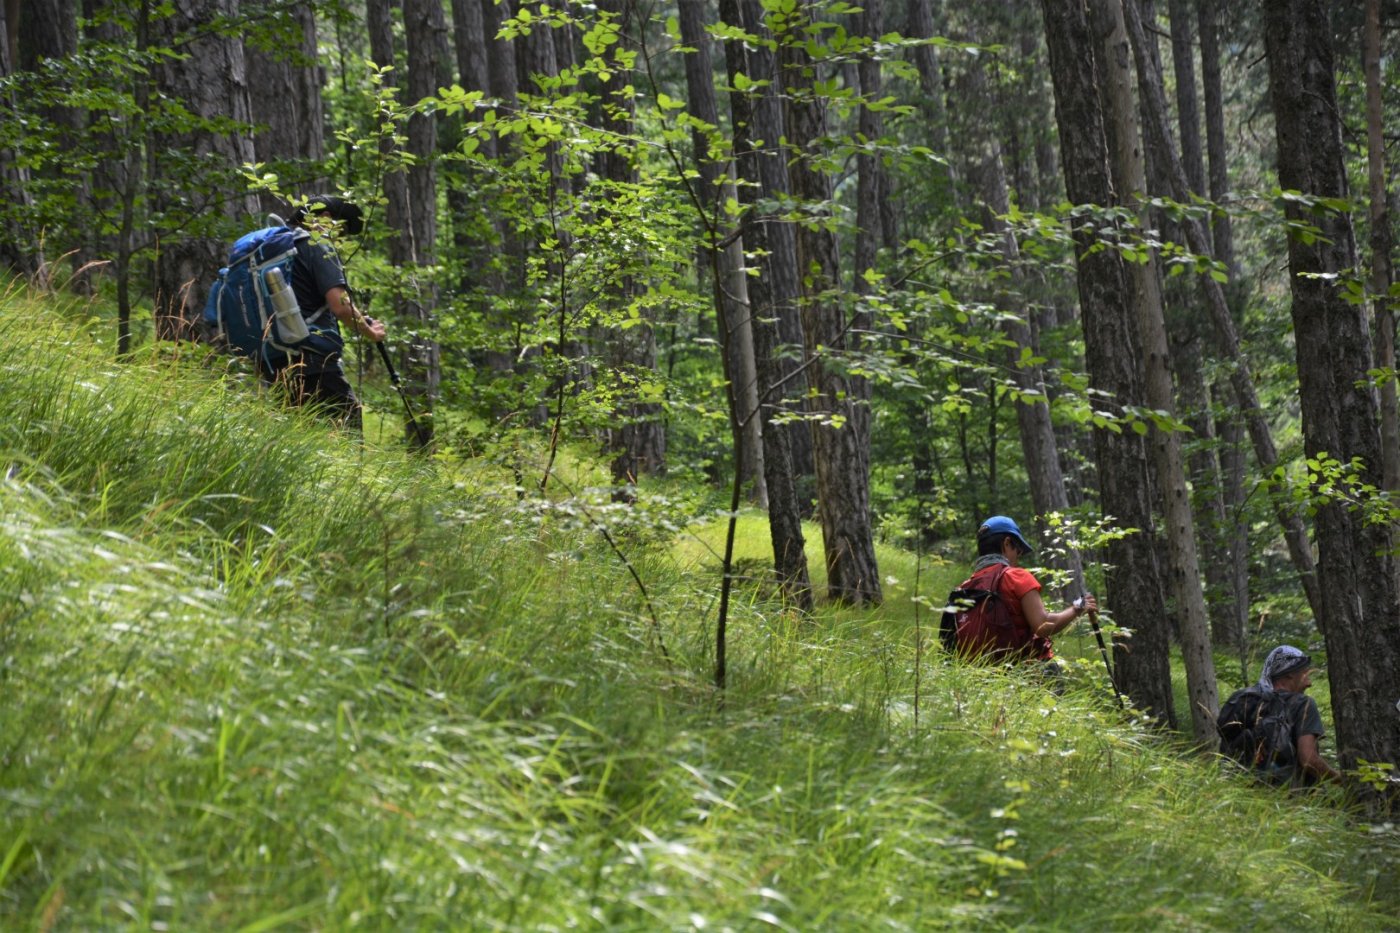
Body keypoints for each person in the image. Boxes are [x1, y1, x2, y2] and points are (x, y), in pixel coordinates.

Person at [269, 194, 387, 431]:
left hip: (275, 359)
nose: (339, 239)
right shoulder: (318, 244)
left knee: (296, 439)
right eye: (341, 230)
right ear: (325, 217)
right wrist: (370, 332)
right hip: (315, 362)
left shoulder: (282, 248)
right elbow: (340, 306)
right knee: (348, 436)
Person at [948, 515, 1097, 665]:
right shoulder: (1016, 576)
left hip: (984, 678)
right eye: (1018, 550)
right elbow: (1043, 625)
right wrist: (1077, 609)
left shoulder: (965, 587)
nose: (1018, 557)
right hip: (1030, 671)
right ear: (1007, 543)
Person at [1217, 645, 1342, 787]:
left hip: (1242, 792)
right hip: (1289, 798)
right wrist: (1341, 779)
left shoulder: (1244, 699)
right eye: (1305, 671)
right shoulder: (1303, 704)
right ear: (1289, 673)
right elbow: (1308, 760)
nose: (1310, 682)